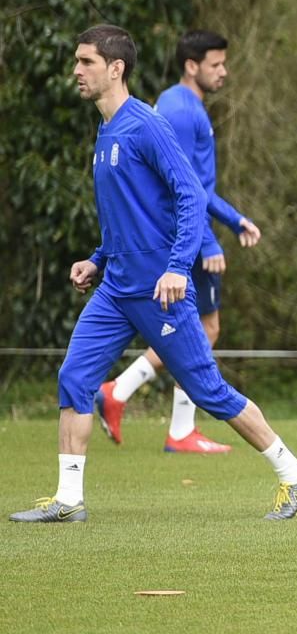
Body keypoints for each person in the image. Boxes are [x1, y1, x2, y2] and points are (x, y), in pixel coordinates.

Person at [10, 24, 297, 523]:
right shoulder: (106, 129)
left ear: (116, 69)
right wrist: (98, 258)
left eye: (85, 62)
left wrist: (178, 268)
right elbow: (125, 214)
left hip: (161, 291)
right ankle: (68, 500)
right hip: (115, 288)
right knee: (74, 377)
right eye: (76, 61)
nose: (76, 71)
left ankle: (294, 474)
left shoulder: (145, 125)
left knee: (209, 392)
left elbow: (190, 196)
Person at [94, 29, 260, 454]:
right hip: (179, 246)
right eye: (216, 64)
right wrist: (205, 242)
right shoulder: (182, 113)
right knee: (202, 328)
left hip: (177, 243)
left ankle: (141, 405)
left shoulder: (179, 105)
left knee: (200, 328)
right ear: (192, 66)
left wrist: (235, 218)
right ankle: (168, 422)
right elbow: (182, 189)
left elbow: (199, 186)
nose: (224, 72)